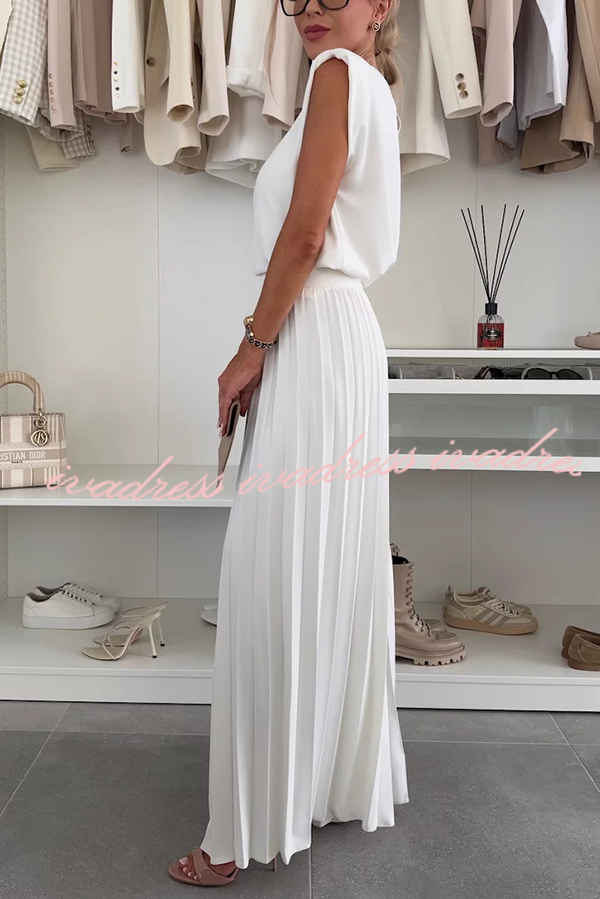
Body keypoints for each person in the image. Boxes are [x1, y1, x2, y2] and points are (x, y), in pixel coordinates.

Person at [169, 0, 408, 887]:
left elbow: (306, 236)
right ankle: (320, 786)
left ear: (381, 5)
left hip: (312, 334)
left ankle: (241, 830)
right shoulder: (367, 82)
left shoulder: (337, 74)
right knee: (322, 563)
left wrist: (251, 347)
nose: (308, 10)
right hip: (334, 334)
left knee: (273, 573)